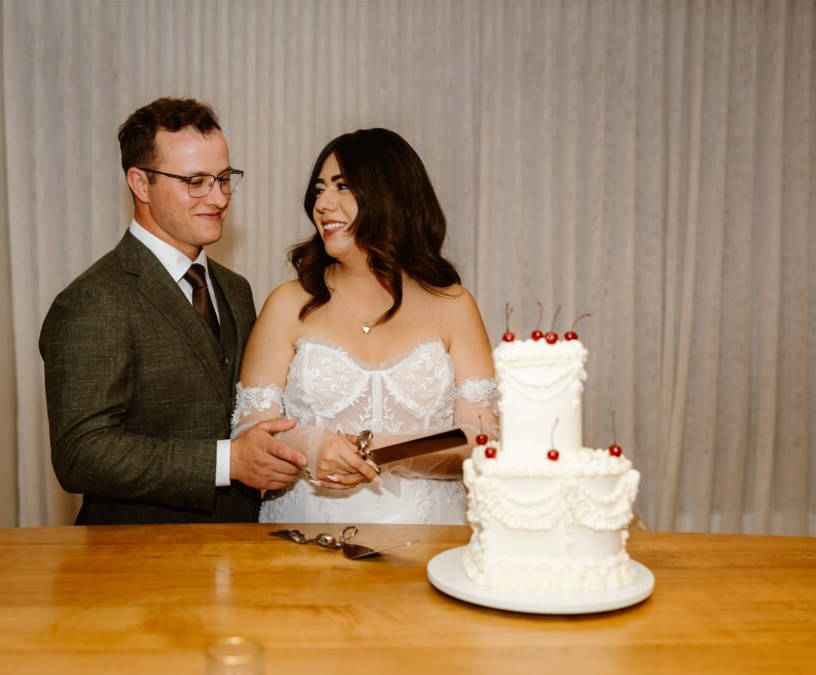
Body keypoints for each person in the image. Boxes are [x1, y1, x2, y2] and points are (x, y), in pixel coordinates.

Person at [39, 97, 306, 525]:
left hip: (242, 544)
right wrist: (228, 462)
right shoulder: (92, 299)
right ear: (141, 184)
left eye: (223, 179)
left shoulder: (236, 289)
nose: (217, 198)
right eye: (195, 181)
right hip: (140, 552)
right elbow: (81, 453)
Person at [231, 128, 498, 524]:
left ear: (391, 193)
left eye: (342, 186)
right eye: (319, 190)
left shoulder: (454, 305)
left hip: (430, 542)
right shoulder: (288, 304)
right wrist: (312, 446)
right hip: (303, 539)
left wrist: (380, 450)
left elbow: (483, 442)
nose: (323, 204)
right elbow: (249, 431)